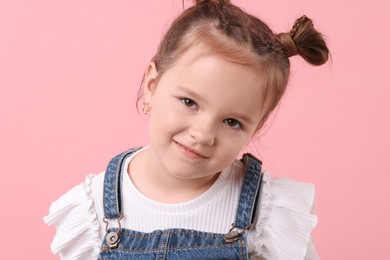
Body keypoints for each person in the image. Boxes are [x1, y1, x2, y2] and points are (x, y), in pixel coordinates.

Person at [44, 0, 329, 259]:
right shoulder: (95, 210)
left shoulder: (266, 214)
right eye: (189, 102)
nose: (203, 134)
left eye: (232, 122)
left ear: (254, 129)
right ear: (152, 86)